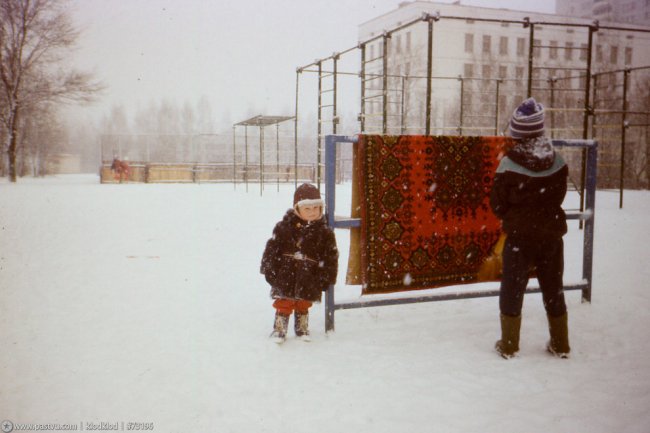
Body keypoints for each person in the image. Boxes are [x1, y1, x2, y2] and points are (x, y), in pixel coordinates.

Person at [490, 97, 571, 359]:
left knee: (513, 287)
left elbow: (497, 203)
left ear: (517, 133)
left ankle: (509, 344)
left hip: (519, 237)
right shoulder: (557, 161)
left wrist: (514, 217)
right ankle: (560, 343)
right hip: (550, 235)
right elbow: (559, 196)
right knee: (553, 285)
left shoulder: (508, 164)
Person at [260, 183, 339, 343]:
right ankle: (279, 328)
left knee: (304, 301)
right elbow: (272, 249)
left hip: (310, 274)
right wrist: (270, 270)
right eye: (307, 209)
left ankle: (302, 327)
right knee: (284, 301)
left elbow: (331, 256)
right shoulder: (283, 227)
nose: (312, 212)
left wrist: (326, 276)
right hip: (286, 273)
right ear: (297, 209)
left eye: (316, 208)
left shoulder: (324, 232)